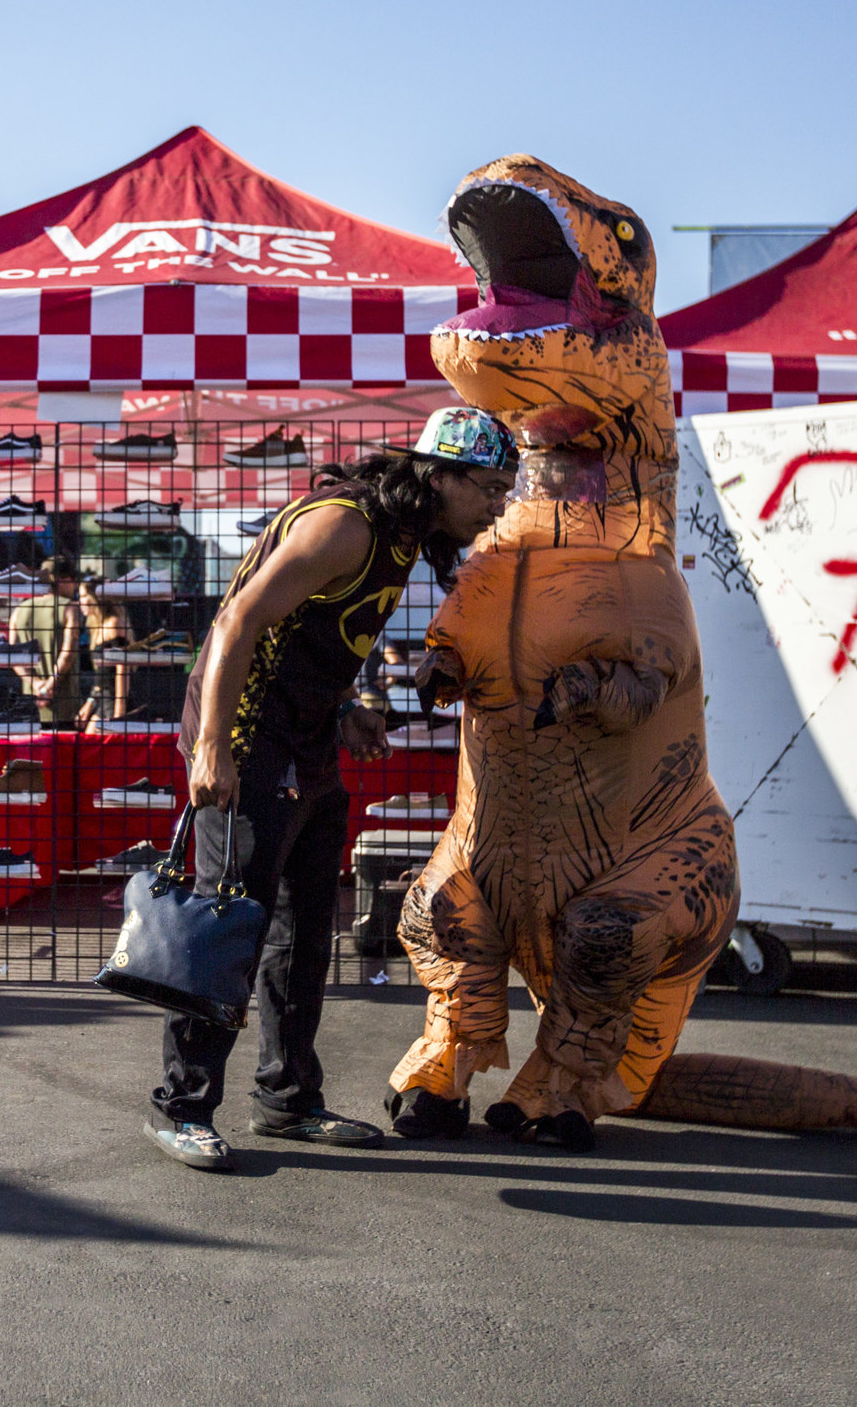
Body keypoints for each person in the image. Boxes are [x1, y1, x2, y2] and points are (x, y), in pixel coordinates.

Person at [145, 406, 518, 1172]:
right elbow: (237, 622)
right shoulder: (347, 525)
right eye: (488, 486)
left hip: (305, 733)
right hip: (249, 734)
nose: (497, 505)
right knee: (230, 926)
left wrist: (344, 708)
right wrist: (213, 748)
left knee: (307, 926)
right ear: (437, 473)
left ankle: (286, 1100)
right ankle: (180, 1106)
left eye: (505, 490)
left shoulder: (403, 535)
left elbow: (307, 632)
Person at [8, 555, 85, 726]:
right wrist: (49, 685)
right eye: (74, 580)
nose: (75, 587)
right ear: (63, 579)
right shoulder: (70, 608)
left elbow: (13, 657)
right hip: (64, 708)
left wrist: (36, 685)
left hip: (30, 705)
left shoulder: (19, 611)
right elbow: (68, 654)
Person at [74, 578, 133, 728]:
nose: (80, 602)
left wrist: (119, 712)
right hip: (102, 699)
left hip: (114, 700)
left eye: (83, 596)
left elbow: (122, 668)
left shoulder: (114, 624)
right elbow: (101, 674)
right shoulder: (96, 627)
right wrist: (90, 702)